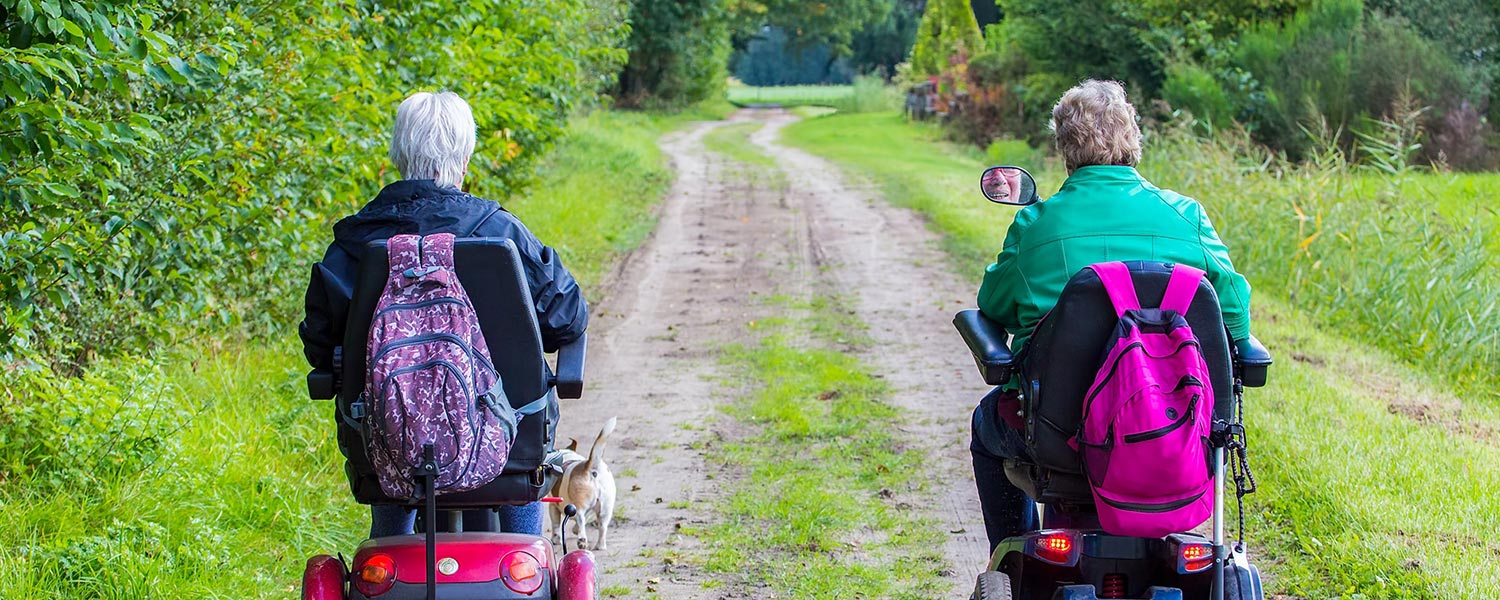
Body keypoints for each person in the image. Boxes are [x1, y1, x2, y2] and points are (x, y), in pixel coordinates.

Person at [969, 80, 1252, 553]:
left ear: (1064, 146)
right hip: (1174, 432)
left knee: (986, 425)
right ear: (1132, 138)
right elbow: (1235, 322)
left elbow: (993, 304)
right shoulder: (1188, 216)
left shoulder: (1036, 224)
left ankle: (1017, 555)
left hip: (1060, 437)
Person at [299, 91, 589, 538]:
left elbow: (321, 347)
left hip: (390, 444)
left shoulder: (354, 246)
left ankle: (390, 543)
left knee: (383, 441)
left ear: (398, 153)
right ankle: (524, 552)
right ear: (466, 156)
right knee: (523, 430)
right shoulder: (500, 232)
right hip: (505, 441)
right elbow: (566, 317)